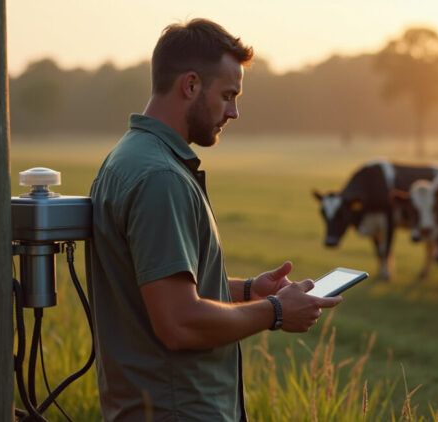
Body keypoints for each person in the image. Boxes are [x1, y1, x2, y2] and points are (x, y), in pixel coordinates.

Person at [87, 18, 342, 421]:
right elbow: (178, 322)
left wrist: (248, 290)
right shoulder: (161, 177)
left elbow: (156, 284)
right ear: (190, 85)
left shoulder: (130, 157)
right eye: (227, 95)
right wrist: (275, 310)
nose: (235, 112)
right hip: (178, 409)